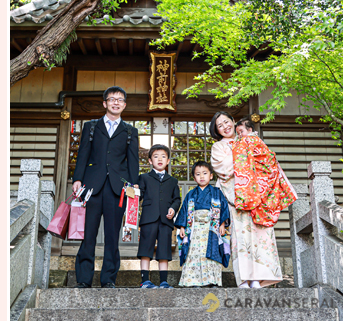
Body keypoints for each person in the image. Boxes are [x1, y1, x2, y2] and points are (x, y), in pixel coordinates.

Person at [210, 112, 295, 289]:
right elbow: (224, 169)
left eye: (227, 121)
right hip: (238, 198)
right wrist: (245, 155)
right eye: (220, 125)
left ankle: (259, 278)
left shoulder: (250, 138)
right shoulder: (219, 147)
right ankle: (244, 279)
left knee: (261, 235)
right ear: (217, 130)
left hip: (259, 196)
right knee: (241, 238)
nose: (225, 126)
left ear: (233, 122)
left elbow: (267, 162)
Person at [72, 86, 139, 289]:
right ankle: (84, 278)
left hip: (117, 190)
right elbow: (83, 154)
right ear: (105, 103)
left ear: (124, 105)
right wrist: (77, 178)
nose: (116, 102)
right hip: (92, 186)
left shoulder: (130, 131)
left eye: (120, 100)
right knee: (88, 234)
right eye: (112, 99)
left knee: (112, 235)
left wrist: (133, 185)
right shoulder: (91, 127)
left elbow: (133, 161)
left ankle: (108, 278)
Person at [174, 161, 230, 288]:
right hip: (195, 229)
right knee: (194, 254)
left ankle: (212, 280)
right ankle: (194, 281)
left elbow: (224, 208)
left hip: (212, 228)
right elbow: (183, 211)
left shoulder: (217, 192)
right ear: (194, 178)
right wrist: (182, 227)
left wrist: (222, 224)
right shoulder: (191, 194)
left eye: (205, 173)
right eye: (198, 174)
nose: (202, 176)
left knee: (211, 254)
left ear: (211, 176)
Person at [136, 144, 181, 289]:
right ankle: (145, 281)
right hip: (148, 218)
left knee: (164, 250)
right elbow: (140, 196)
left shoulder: (173, 181)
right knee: (145, 248)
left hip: (166, 220)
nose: (159, 159)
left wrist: (173, 210)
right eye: (156, 156)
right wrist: (135, 191)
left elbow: (177, 199)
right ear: (150, 161)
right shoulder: (143, 178)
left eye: (163, 156)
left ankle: (164, 281)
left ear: (168, 161)